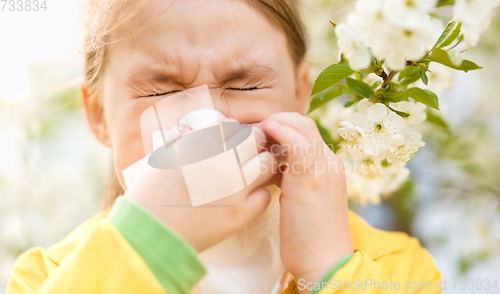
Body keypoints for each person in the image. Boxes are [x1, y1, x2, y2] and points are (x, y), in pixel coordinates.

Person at [7, 0, 442, 293]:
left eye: (246, 84)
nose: (205, 123)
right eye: (159, 92)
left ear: (299, 96)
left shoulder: (395, 267)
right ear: (99, 115)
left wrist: (328, 271)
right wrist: (142, 248)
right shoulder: (47, 278)